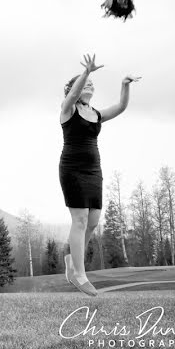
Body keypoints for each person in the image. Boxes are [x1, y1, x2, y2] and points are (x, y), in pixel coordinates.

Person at [59, 53, 140, 296]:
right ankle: (79, 275)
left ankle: (72, 261)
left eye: (92, 84)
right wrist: (86, 73)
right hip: (72, 169)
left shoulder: (96, 114)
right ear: (75, 88)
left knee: (92, 222)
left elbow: (121, 107)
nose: (90, 85)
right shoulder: (67, 109)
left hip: (94, 171)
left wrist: (124, 85)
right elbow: (72, 94)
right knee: (80, 219)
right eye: (86, 84)